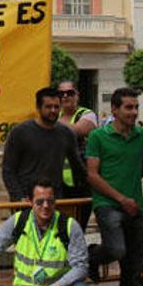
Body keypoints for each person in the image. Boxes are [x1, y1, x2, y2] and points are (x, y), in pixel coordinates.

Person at [84, 88, 143, 286]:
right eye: (128, 107)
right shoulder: (98, 136)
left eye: (136, 107)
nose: (134, 112)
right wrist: (120, 198)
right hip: (108, 205)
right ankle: (93, 255)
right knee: (116, 248)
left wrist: (132, 197)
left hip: (134, 206)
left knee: (133, 272)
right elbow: (92, 174)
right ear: (114, 110)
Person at [2, 87, 85, 201]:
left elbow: (78, 167)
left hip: (56, 200)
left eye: (56, 107)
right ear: (38, 107)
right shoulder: (20, 132)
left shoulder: (67, 134)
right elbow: (8, 170)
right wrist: (19, 197)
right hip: (27, 201)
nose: (53, 110)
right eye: (48, 107)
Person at [57, 81, 97, 229]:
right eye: (61, 94)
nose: (65, 96)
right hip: (57, 183)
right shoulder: (54, 115)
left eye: (70, 93)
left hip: (81, 183)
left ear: (77, 95)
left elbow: (77, 130)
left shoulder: (87, 114)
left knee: (78, 228)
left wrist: (48, 126)